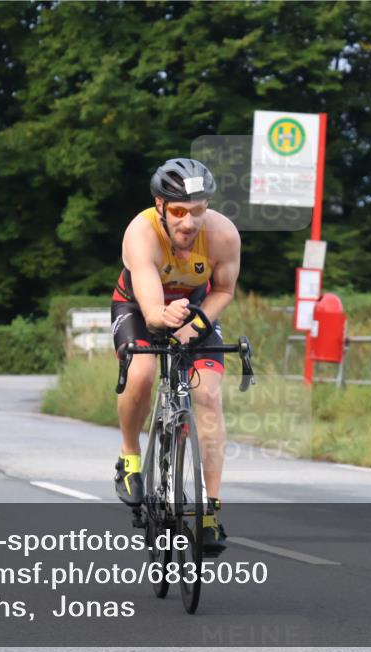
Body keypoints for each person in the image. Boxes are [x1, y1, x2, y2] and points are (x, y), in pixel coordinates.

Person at [110, 158, 241, 555]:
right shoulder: (141, 233)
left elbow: (224, 290)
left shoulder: (223, 236)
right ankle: (130, 456)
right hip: (140, 308)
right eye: (179, 211)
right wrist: (161, 318)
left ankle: (209, 512)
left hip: (196, 311)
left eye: (198, 211)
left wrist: (195, 325)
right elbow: (151, 310)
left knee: (207, 397)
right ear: (160, 205)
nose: (188, 222)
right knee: (144, 372)